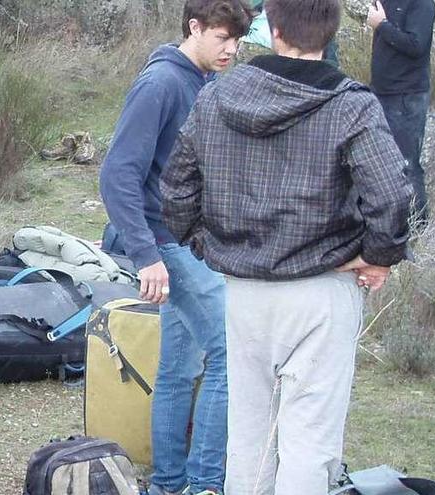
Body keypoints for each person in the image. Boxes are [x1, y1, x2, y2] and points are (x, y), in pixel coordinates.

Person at [160, 0, 413, 492]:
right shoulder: (351, 104)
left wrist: (208, 248)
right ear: (331, 31)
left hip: (244, 290)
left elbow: (176, 191)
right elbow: (392, 193)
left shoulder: (216, 96)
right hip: (321, 290)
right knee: (309, 437)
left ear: (272, 29)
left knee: (248, 433)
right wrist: (378, 256)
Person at [98, 1, 252, 494]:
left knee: (179, 367)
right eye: (223, 38)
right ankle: (205, 484)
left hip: (190, 241)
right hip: (167, 244)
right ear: (195, 27)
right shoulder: (162, 83)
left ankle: (169, 482)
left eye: (238, 40)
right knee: (230, 352)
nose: (232, 49)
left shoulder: (202, 80)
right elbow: (118, 173)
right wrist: (148, 256)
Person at [367, 0, 435, 223]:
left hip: (406, 95)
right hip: (382, 91)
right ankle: (392, 220)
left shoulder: (421, 3)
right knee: (383, 161)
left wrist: (381, 25)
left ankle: (417, 223)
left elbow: (416, 45)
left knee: (407, 163)